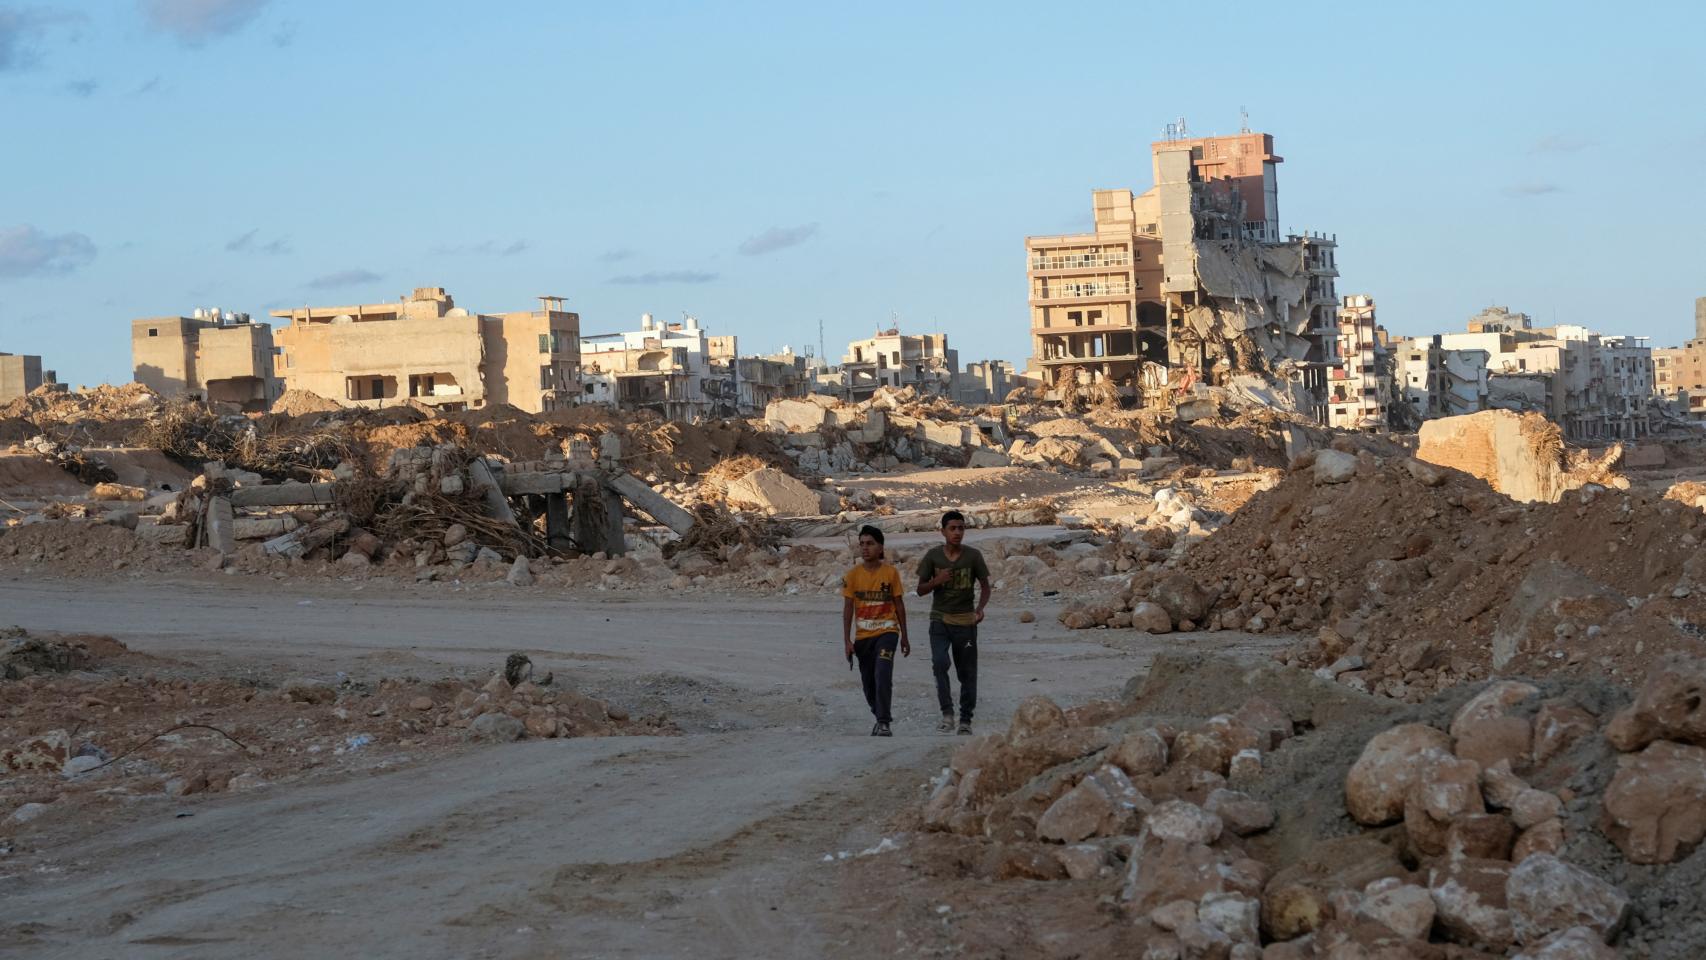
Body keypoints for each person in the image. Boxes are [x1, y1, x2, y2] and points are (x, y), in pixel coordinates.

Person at [915, 510, 990, 735]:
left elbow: (985, 587)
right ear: (943, 531)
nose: (957, 533)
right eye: (953, 528)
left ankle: (965, 720)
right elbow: (920, 590)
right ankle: (947, 714)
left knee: (967, 671)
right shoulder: (933, 557)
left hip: (966, 621)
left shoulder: (973, 556)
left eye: (961, 528)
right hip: (939, 620)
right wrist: (936, 581)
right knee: (939, 663)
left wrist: (980, 610)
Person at [841, 525, 910, 736]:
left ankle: (884, 722)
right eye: (862, 544)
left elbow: (899, 605)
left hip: (888, 633)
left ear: (881, 548)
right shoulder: (852, 575)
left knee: (882, 673)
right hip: (863, 637)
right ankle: (878, 715)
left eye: (870, 543)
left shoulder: (890, 573)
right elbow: (848, 609)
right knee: (868, 684)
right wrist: (847, 641)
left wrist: (904, 636)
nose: (865, 548)